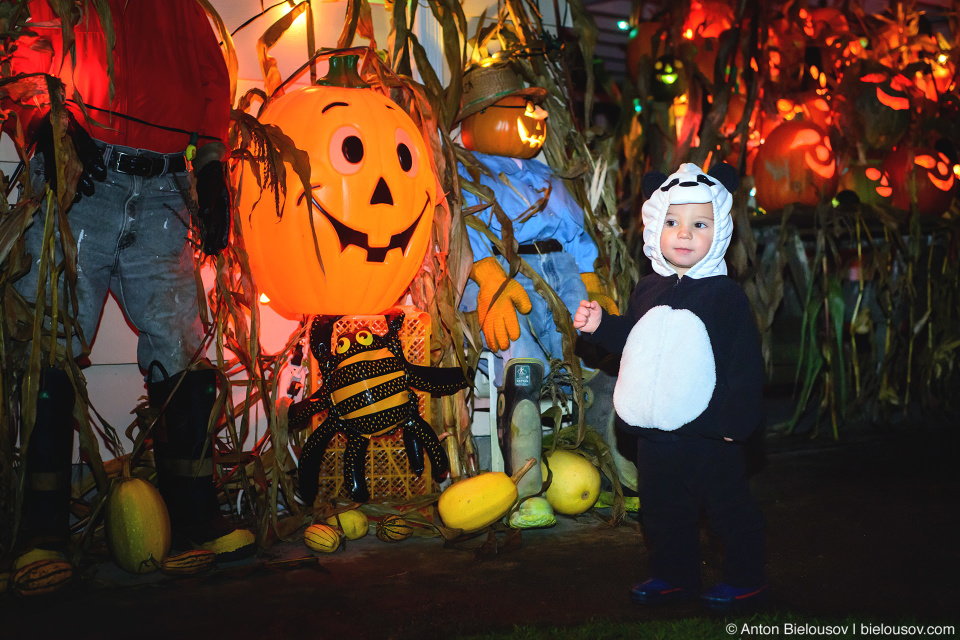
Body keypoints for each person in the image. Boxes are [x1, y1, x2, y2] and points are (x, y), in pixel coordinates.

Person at [4, 0, 253, 576]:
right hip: (82, 176)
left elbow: (209, 77)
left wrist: (212, 163)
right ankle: (40, 530)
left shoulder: (185, 8)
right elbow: (23, 49)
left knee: (180, 342)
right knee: (51, 339)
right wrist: (50, 125)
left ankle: (192, 512)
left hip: (166, 183)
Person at [573, 162, 768, 612]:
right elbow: (639, 341)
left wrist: (736, 424)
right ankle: (672, 575)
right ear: (653, 227)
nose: (684, 234)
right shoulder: (647, 290)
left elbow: (743, 364)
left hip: (710, 434)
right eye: (672, 222)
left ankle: (746, 579)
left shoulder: (725, 297)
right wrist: (603, 325)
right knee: (663, 512)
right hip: (655, 436)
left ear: (719, 231)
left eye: (699, 224)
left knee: (727, 508)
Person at [456, 63, 616, 519]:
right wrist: (489, 283)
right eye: (521, 106)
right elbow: (465, 237)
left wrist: (592, 286)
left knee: (595, 354)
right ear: (480, 118)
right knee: (521, 368)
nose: (536, 116)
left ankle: (614, 467)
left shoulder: (544, 176)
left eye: (536, 106)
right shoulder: (468, 175)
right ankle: (525, 489)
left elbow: (578, 236)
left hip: (561, 270)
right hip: (512, 271)